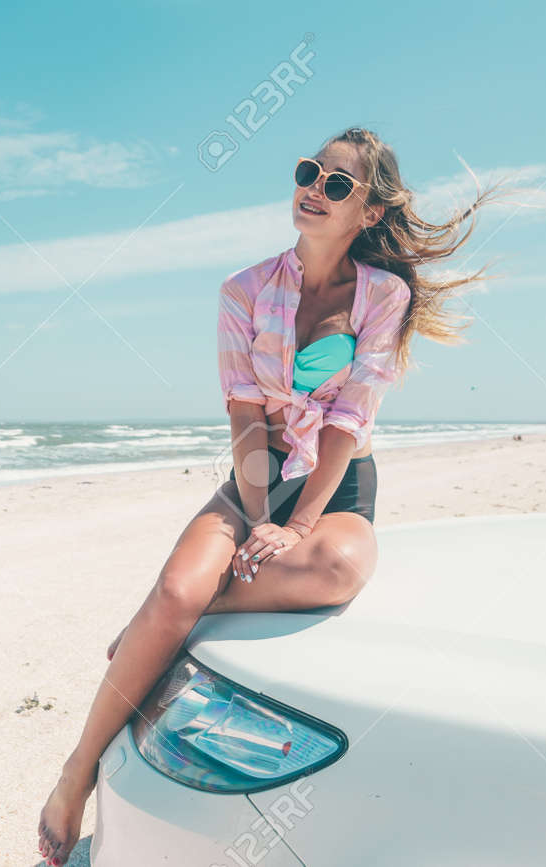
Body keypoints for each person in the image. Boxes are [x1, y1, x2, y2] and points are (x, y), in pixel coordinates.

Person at [37, 126, 511, 866]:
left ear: (371, 212)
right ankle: (75, 772)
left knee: (338, 568)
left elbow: (351, 418)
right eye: (308, 173)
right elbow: (244, 414)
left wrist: (302, 525)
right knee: (170, 588)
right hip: (256, 474)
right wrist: (261, 520)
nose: (313, 189)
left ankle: (167, 625)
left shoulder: (384, 295)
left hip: (337, 479)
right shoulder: (243, 289)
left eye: (337, 184)